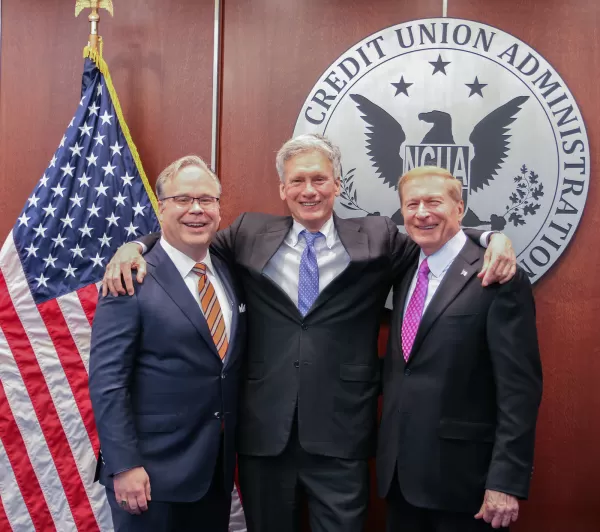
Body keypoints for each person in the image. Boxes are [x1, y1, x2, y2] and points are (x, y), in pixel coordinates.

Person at [102, 135, 516, 532]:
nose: (309, 190)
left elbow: (439, 240)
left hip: (343, 435)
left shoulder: (377, 238)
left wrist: (492, 237)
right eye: (297, 180)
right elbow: (189, 237)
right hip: (263, 437)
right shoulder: (248, 234)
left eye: (319, 179)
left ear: (337, 184)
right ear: (282, 189)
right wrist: (135, 246)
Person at [377, 166, 543, 532]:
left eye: (434, 202)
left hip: (465, 485)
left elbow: (519, 389)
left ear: (460, 208)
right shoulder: (407, 268)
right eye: (412, 204)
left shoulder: (496, 275)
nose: (422, 213)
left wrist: (506, 481)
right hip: (400, 479)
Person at [89, 156, 246, 532]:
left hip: (213, 474)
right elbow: (108, 381)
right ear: (160, 209)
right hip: (149, 477)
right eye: (183, 199)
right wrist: (123, 465)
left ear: (219, 209)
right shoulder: (130, 278)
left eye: (206, 200)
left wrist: (137, 243)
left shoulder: (229, 268)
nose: (196, 209)